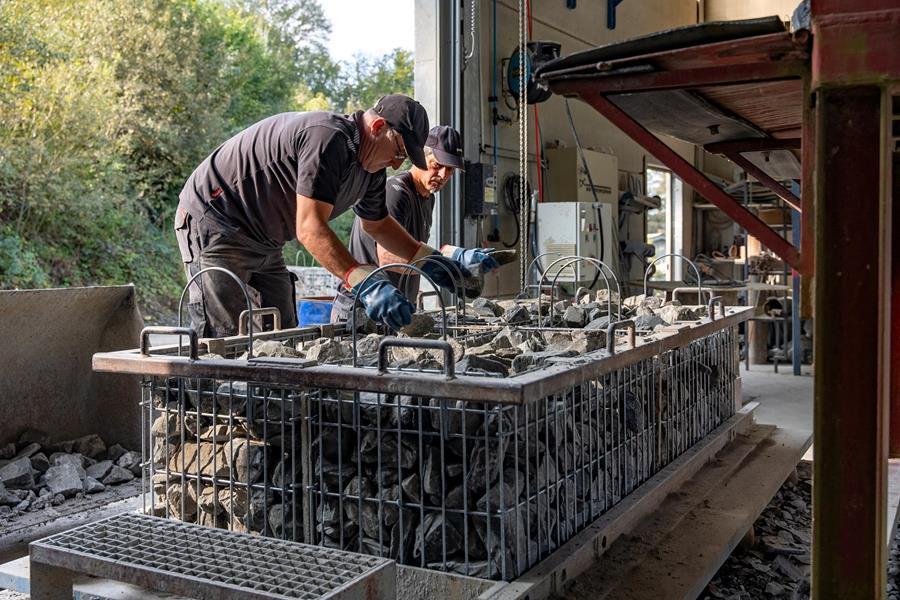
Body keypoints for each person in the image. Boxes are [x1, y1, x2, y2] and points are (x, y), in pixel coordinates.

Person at [174, 94, 465, 336]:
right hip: (216, 219)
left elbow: (378, 224)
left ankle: (270, 402)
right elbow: (310, 228)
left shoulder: (372, 168)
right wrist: (365, 280)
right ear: (377, 126)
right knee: (226, 335)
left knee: (280, 332)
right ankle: (207, 401)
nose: (396, 163)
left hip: (265, 239)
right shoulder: (328, 139)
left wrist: (429, 260)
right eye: (399, 151)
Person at [331, 125, 500, 322]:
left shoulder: (428, 197)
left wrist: (457, 255)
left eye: (450, 170)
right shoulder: (395, 192)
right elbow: (388, 257)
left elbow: (413, 248)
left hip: (396, 309)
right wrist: (441, 266)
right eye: (437, 165)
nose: (443, 175)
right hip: (365, 307)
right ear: (419, 157)